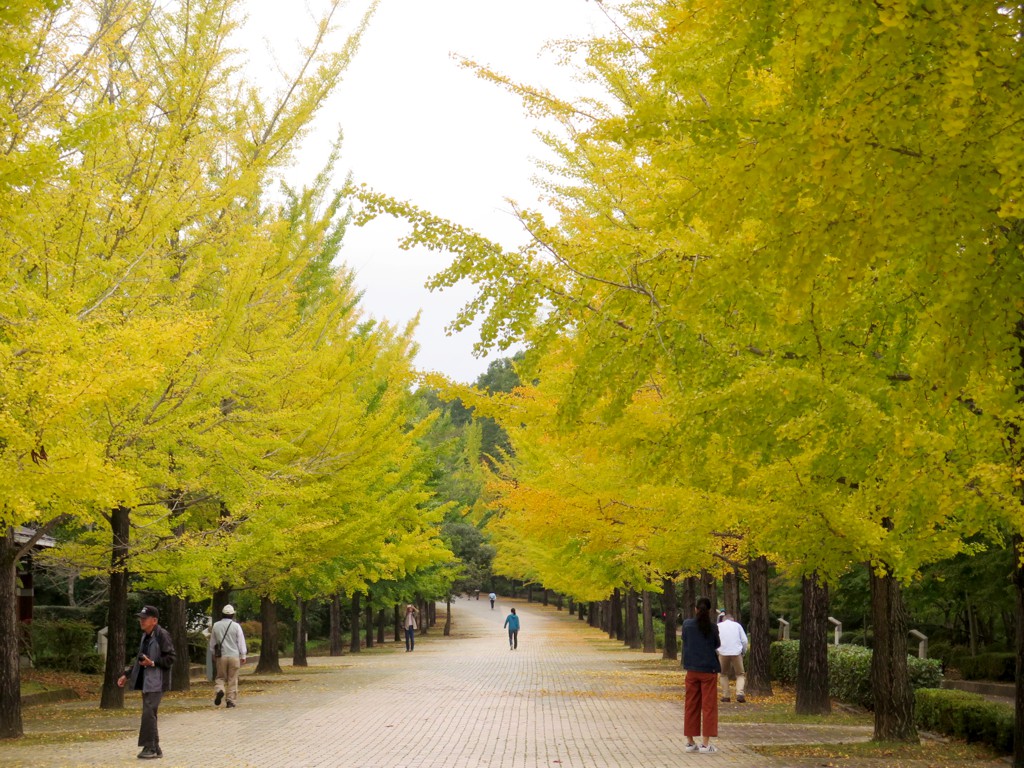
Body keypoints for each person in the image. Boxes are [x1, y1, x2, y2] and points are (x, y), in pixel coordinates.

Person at [117, 605, 175, 760]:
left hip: (157, 681)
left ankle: (149, 747)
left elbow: (171, 658)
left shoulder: (162, 635)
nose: (141, 621)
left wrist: (153, 663)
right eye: (140, 618)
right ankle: (155, 748)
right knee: (150, 714)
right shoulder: (145, 636)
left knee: (148, 713)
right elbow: (139, 658)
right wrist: (126, 675)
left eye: (145, 618)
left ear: (154, 620)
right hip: (147, 681)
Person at [682, 597, 721, 754]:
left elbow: (685, 640)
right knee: (709, 706)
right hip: (709, 670)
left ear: (695, 609)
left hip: (691, 669)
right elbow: (717, 644)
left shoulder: (687, 625)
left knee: (691, 705)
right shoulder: (712, 628)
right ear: (709, 611)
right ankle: (705, 744)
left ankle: (690, 742)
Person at [210, 604, 247, 708]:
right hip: (234, 656)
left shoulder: (216, 625)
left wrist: (213, 653)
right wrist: (243, 655)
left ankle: (220, 689)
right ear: (232, 615)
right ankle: (230, 701)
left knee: (220, 677)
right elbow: (241, 641)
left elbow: (212, 642)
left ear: (222, 614)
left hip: (221, 656)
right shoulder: (236, 626)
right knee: (233, 679)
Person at [717, 611, 748, 703]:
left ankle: (726, 696)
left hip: (723, 652)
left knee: (723, 674)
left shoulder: (718, 626)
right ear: (733, 619)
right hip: (736, 652)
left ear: (723, 619)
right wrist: (743, 651)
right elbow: (744, 640)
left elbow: (715, 640)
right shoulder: (737, 626)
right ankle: (740, 693)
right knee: (740, 674)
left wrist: (717, 651)